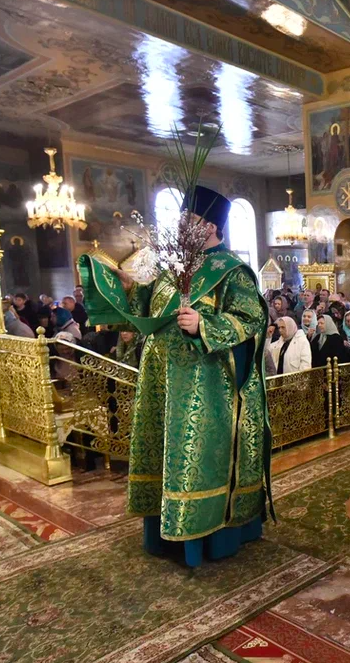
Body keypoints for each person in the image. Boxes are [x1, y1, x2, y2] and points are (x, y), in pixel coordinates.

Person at [81, 185, 271, 566]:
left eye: (191, 220)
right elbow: (147, 311)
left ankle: (208, 539)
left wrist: (206, 323)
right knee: (162, 451)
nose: (183, 226)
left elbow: (252, 318)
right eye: (181, 220)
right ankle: (163, 532)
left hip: (204, 388)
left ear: (212, 226)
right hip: (160, 382)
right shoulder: (171, 268)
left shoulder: (231, 271)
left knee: (193, 458)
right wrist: (129, 288)